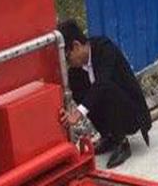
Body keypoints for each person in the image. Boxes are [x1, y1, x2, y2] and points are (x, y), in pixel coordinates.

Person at [58, 19, 151, 169]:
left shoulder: (105, 48)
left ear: (76, 46)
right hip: (109, 109)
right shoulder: (76, 70)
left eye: (68, 57)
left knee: (105, 88)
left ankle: (121, 141)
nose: (68, 63)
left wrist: (78, 113)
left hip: (131, 112)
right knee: (78, 86)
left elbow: (102, 83)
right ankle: (109, 135)